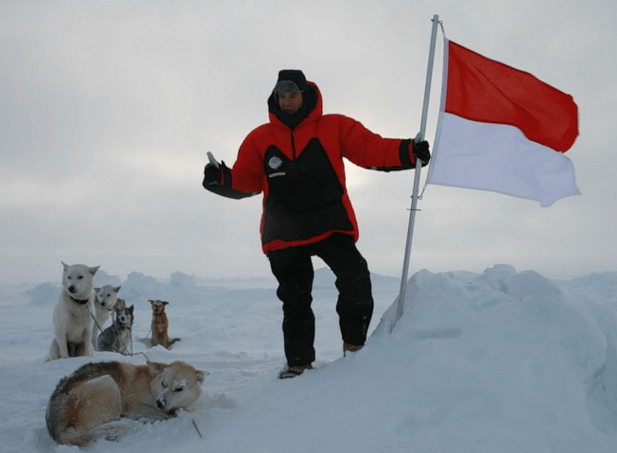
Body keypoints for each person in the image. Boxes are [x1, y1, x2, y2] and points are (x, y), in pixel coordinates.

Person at [203, 69, 430, 379]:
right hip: (283, 231)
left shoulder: (334, 126)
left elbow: (369, 148)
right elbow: (248, 181)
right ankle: (298, 364)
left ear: (305, 94)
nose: (286, 101)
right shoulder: (260, 138)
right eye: (281, 96)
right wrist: (222, 179)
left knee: (355, 278)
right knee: (294, 299)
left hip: (329, 222)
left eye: (292, 95)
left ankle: (355, 350)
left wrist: (407, 151)